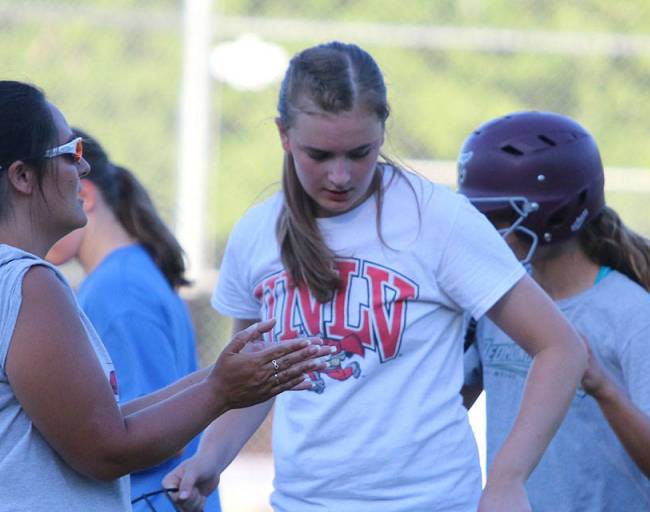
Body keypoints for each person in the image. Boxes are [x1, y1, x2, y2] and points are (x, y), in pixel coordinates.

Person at [165, 41, 588, 512]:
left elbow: (560, 347)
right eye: (320, 155)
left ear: (383, 130)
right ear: (284, 134)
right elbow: (258, 379)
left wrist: (508, 479)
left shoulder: (437, 219)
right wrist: (211, 458)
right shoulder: (256, 233)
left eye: (360, 152)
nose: (341, 175)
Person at [0, 80, 327, 511]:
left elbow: (102, 421)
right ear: (21, 176)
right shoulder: (26, 283)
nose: (85, 167)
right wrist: (220, 392)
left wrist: (220, 375)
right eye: (69, 153)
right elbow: (105, 450)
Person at [458, 110, 650, 510]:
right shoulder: (500, 300)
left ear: (554, 213)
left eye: (500, 216)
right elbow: (445, 405)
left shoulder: (629, 313)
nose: (485, 229)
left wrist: (602, 385)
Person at [45, 129, 222, 512]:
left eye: (39, 202)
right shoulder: (127, 275)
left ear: (84, 196)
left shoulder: (118, 291)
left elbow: (161, 435)